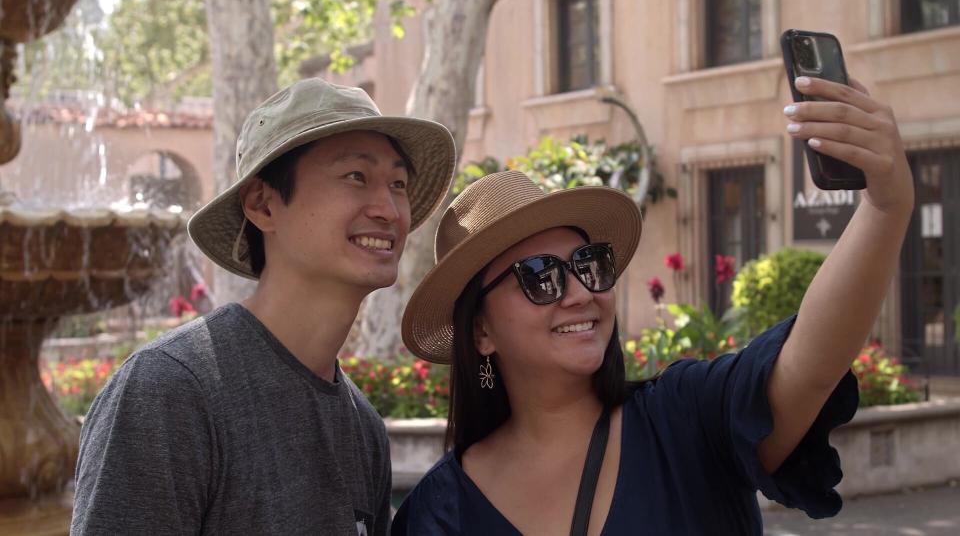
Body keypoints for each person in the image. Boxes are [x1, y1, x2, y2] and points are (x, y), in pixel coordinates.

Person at [393, 76, 915, 535]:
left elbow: (811, 365)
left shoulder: (685, 420)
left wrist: (886, 206)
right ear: (481, 332)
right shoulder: (439, 513)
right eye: (540, 278)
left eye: (589, 263)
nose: (580, 291)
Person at [71, 78, 457, 535]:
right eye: (356, 176)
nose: (390, 209)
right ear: (263, 204)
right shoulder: (170, 390)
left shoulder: (363, 428)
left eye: (398, 183)